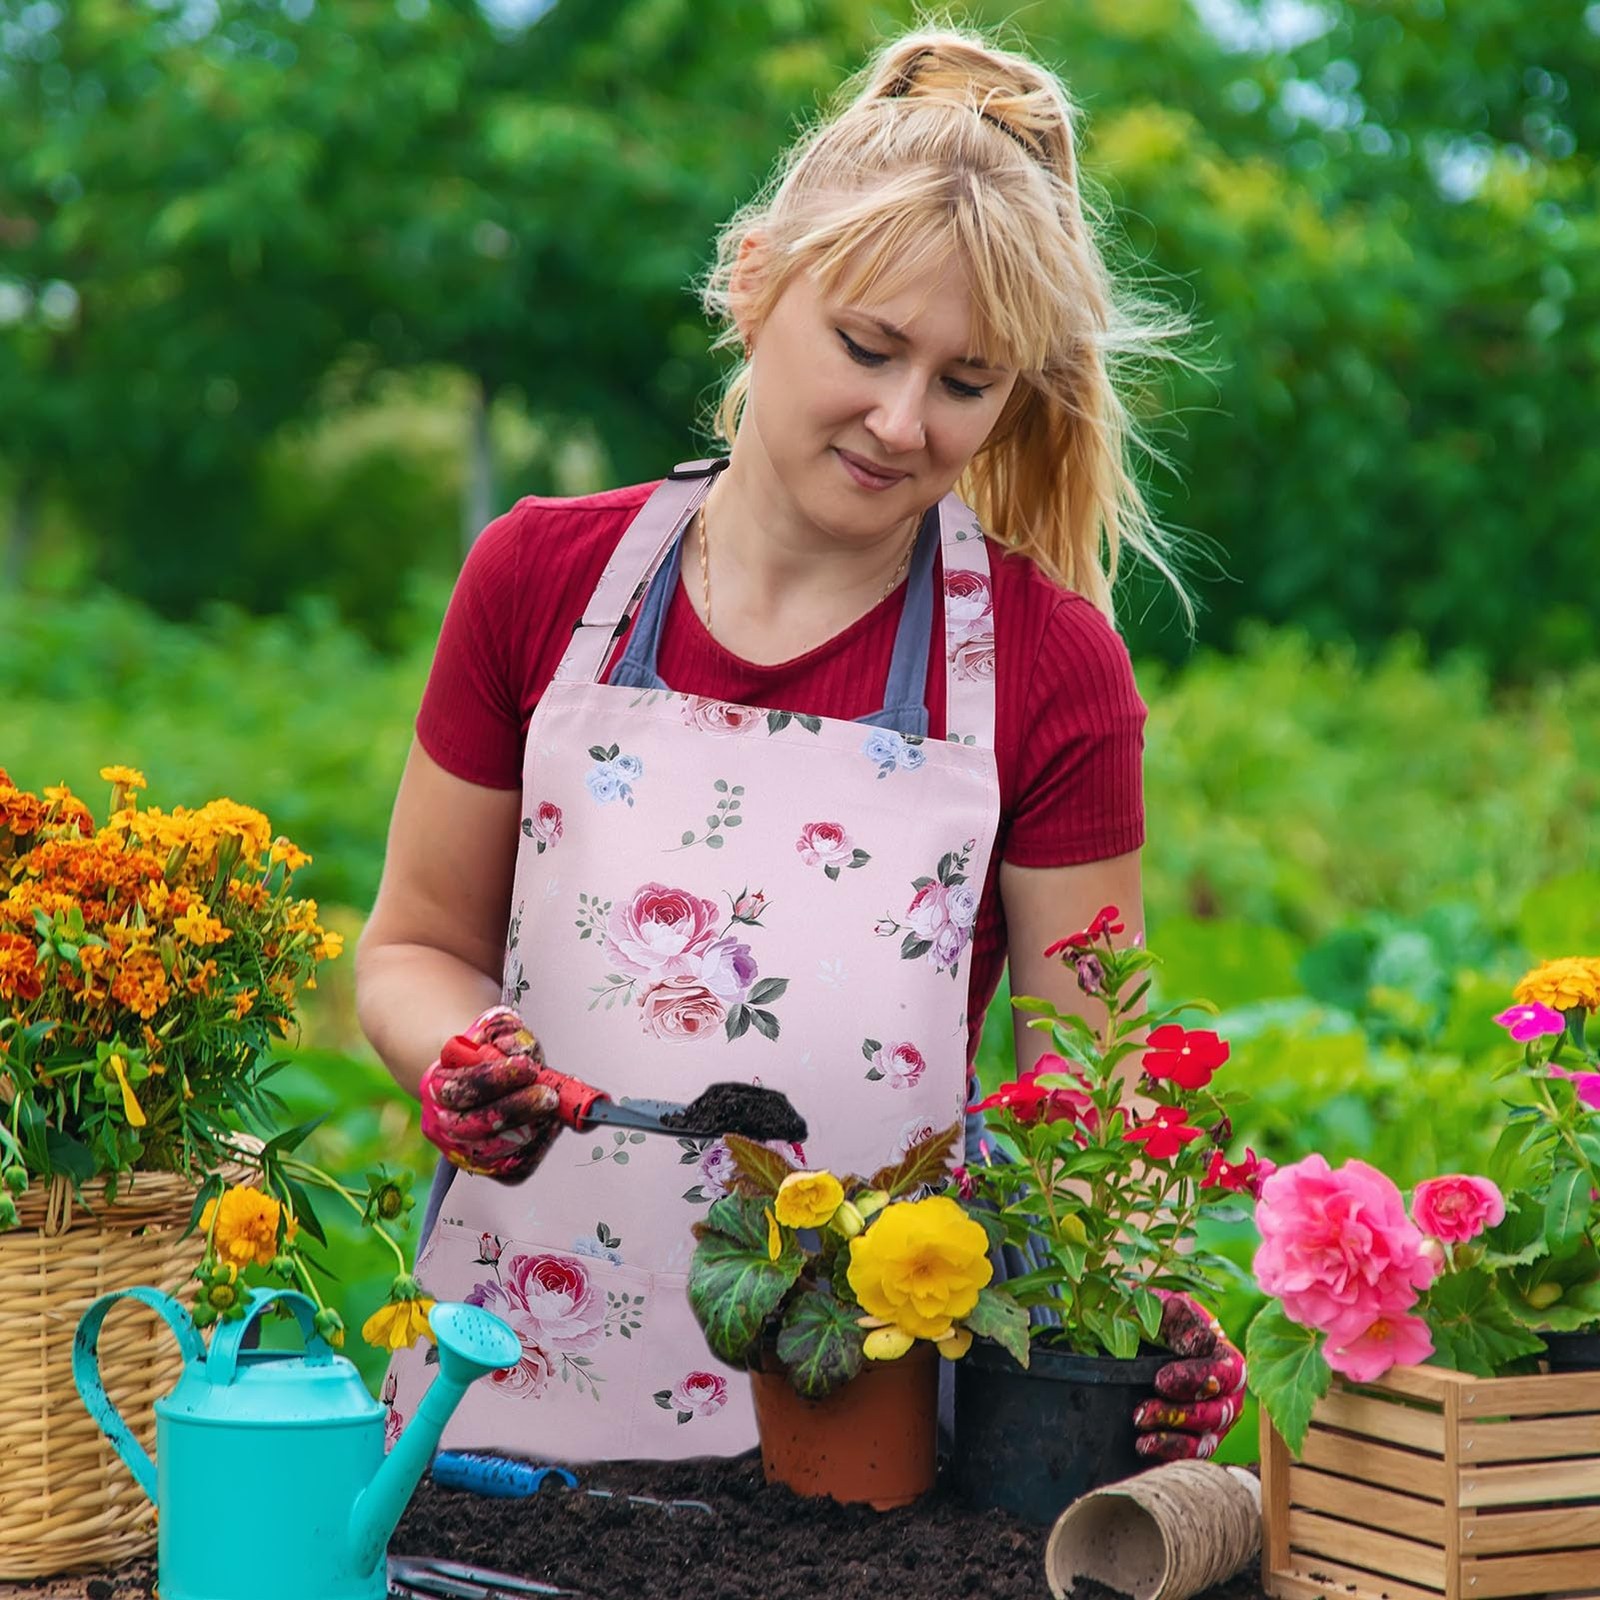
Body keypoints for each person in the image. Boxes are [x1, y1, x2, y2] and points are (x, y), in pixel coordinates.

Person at [357, 23, 1244, 1465]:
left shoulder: (1045, 662)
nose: (902, 422)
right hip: (501, 1414)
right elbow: (409, 949)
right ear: (759, 282)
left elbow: (1091, 1091)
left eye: (966, 382)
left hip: (868, 1452)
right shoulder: (541, 579)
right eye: (868, 347)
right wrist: (468, 1054)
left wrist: (1132, 1319)